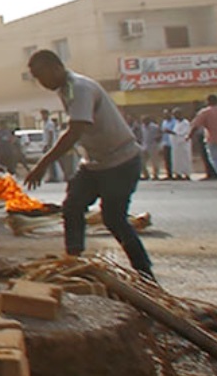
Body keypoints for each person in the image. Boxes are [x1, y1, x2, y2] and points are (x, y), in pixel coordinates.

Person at [23, 50, 153, 279]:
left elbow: (75, 130)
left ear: (55, 68)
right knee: (72, 206)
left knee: (114, 219)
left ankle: (144, 273)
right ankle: (74, 260)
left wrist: (42, 164)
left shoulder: (80, 88)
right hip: (96, 163)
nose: (41, 83)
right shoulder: (67, 89)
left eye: (41, 76)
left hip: (120, 161)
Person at [169, 108, 193, 180]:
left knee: (185, 159)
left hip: (183, 144)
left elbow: (183, 133)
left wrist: (172, 132)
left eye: (176, 114)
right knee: (177, 160)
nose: (174, 116)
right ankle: (178, 174)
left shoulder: (185, 123)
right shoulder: (177, 123)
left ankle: (187, 174)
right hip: (176, 145)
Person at [141, 114, 164, 180]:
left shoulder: (154, 127)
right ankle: (146, 174)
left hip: (153, 146)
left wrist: (158, 139)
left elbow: (161, 133)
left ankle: (155, 175)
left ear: (148, 121)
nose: (144, 123)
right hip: (145, 146)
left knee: (155, 162)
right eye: (143, 121)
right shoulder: (142, 126)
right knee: (142, 161)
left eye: (145, 121)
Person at [158, 109, 177, 180]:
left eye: (167, 114)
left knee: (173, 159)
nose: (165, 115)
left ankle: (176, 174)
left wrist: (169, 131)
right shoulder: (164, 122)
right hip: (165, 143)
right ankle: (169, 174)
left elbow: (176, 132)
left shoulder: (175, 122)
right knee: (167, 160)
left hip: (173, 143)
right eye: (164, 114)